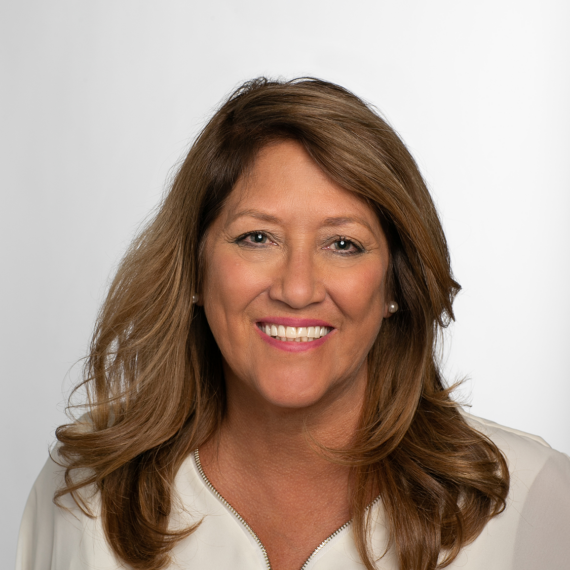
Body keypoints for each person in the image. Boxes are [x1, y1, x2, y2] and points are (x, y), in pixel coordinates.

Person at [16, 78, 570, 570]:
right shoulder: (82, 495)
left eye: (343, 244)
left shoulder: (537, 503)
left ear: (394, 286)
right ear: (192, 269)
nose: (297, 288)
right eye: (257, 237)